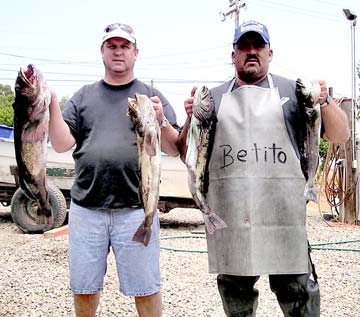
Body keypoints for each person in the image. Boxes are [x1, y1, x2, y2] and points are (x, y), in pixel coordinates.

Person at [177, 20, 350, 317]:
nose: (251, 52)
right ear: (233, 55)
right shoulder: (213, 98)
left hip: (283, 220)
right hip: (233, 221)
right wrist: (191, 119)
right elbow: (186, 153)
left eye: (258, 46)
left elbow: (340, 134)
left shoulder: (296, 92)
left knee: (300, 299)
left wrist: (325, 102)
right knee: (237, 302)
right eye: (244, 46)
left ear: (271, 53)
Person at [48, 23, 179, 317]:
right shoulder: (83, 96)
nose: (118, 51)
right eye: (112, 45)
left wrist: (163, 122)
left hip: (137, 210)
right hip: (86, 209)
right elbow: (60, 144)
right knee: (84, 288)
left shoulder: (150, 96)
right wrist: (52, 103)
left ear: (135, 53)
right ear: (102, 51)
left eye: (124, 46)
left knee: (146, 289)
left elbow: (173, 149)